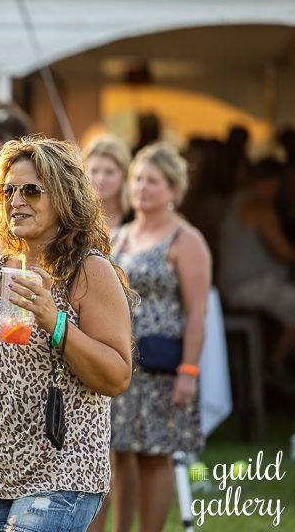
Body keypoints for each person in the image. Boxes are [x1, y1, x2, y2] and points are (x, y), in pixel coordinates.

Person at [0, 137, 134, 532]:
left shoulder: (89, 271)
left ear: (63, 198)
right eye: (8, 190)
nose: (16, 200)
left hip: (62, 474)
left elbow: (117, 374)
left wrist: (55, 321)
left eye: (31, 190)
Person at [105, 142, 211, 532]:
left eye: (152, 181)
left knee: (155, 456)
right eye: (137, 179)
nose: (141, 188)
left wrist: (189, 369)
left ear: (173, 188)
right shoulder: (120, 236)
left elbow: (198, 311)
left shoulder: (186, 239)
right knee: (119, 452)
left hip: (163, 365)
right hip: (122, 363)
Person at [219, 158, 295, 392]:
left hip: (236, 286)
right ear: (272, 183)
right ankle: (271, 368)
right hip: (247, 286)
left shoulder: (237, 201)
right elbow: (284, 251)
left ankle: (268, 367)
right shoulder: (259, 206)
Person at [82, 133, 132, 234]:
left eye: (109, 172)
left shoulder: (136, 216)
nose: (100, 179)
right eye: (94, 171)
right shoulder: (75, 217)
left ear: (124, 175)